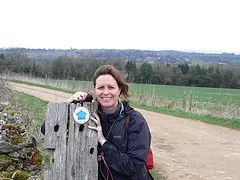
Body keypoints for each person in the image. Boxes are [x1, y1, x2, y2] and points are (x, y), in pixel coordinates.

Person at [68, 65, 152, 180]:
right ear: (94, 89)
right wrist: (69, 104)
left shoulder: (135, 121)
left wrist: (103, 141)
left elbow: (133, 166)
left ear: (120, 90)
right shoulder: (86, 114)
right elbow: (47, 130)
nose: (105, 92)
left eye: (111, 87)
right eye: (101, 87)